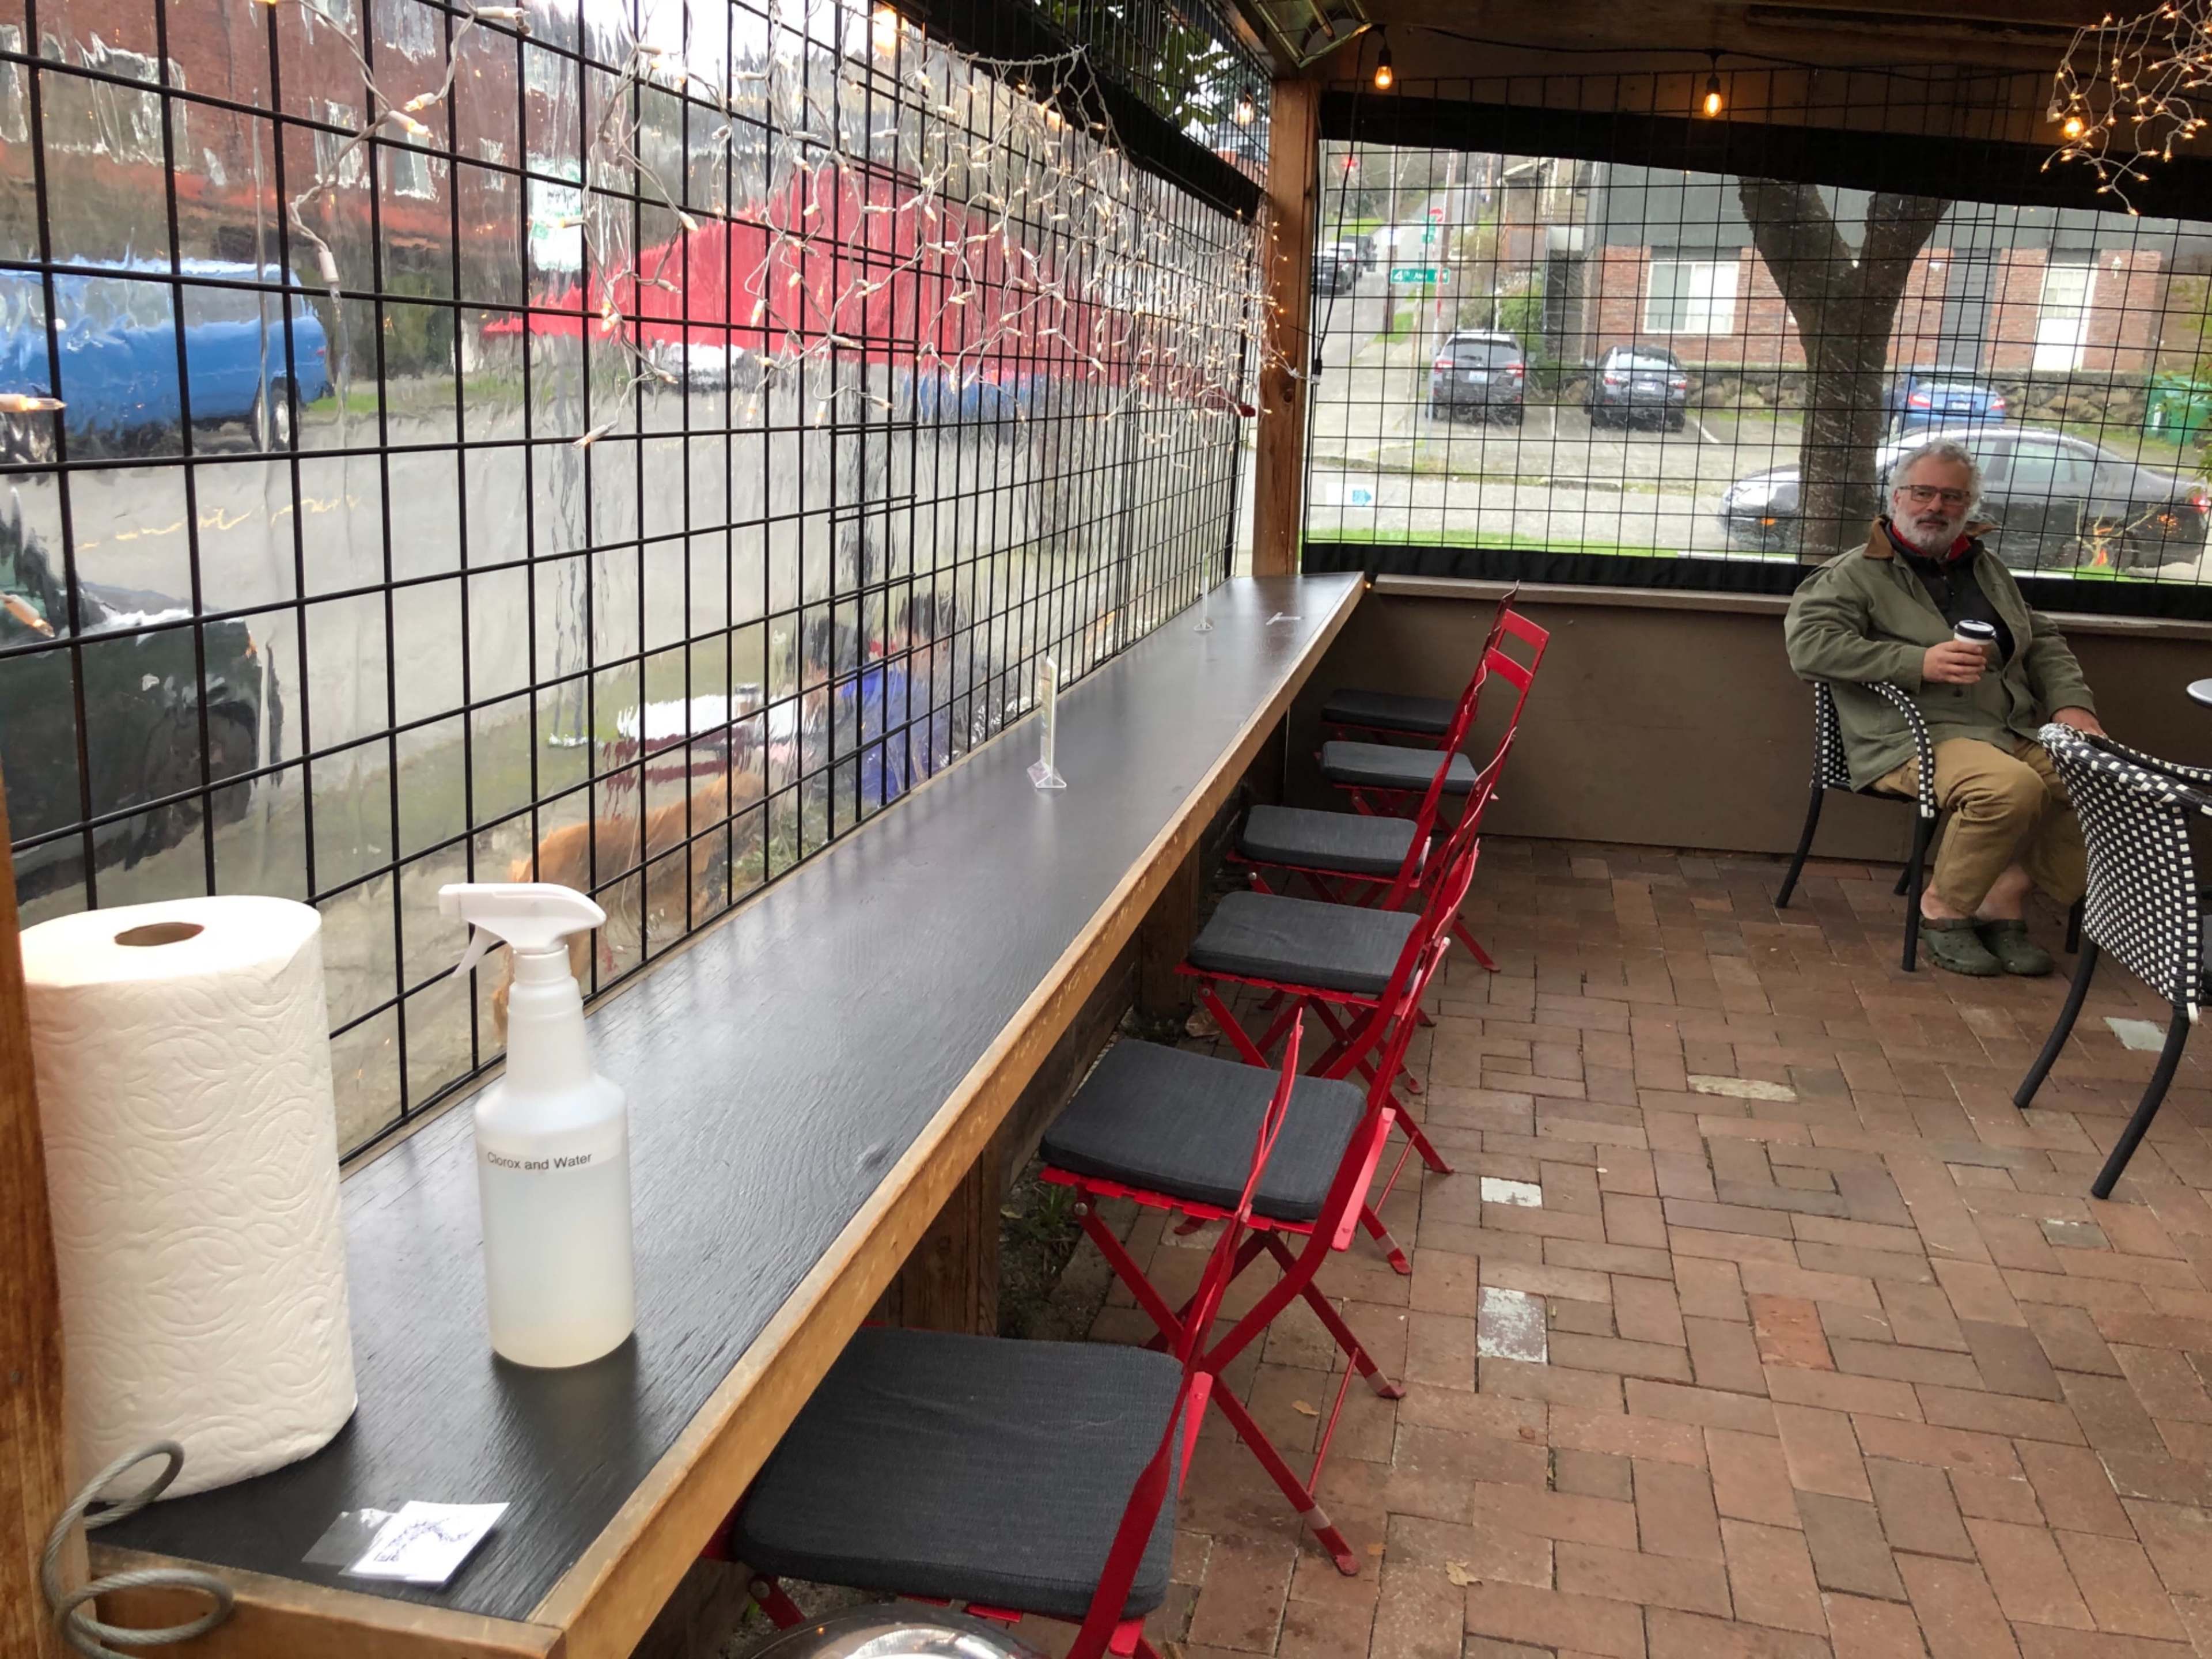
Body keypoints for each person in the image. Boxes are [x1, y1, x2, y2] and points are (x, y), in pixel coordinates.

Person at [1782, 437, 2104, 977]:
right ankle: (1944, 908)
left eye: (1953, 497)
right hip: (1912, 737)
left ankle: (2004, 893)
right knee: (2008, 789)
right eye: (1923, 492)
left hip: (2008, 725)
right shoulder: (1853, 572)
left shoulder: (1984, 566)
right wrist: (1917, 663)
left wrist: (2073, 705)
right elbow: (1809, 648)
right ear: (1896, 497)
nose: (1936, 507)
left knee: (2103, 782)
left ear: (1969, 505)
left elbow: (2042, 639)